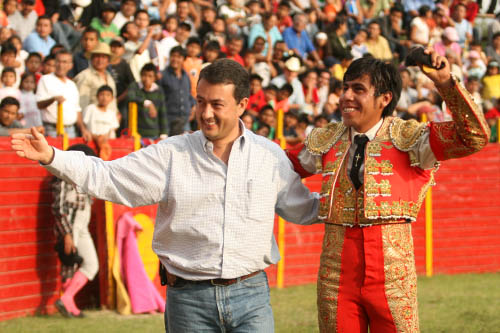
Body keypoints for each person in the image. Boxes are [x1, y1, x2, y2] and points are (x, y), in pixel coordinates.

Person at [11, 58, 319, 332]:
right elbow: (108, 176)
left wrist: (356, 196)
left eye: (216, 104)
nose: (205, 113)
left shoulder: (269, 156)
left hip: (250, 293)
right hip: (189, 301)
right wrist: (52, 156)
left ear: (242, 105)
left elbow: (303, 209)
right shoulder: (172, 154)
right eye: (200, 102)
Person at [287, 52, 490, 332]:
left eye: (358, 89)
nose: (346, 96)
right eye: (345, 87)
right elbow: (282, 165)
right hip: (336, 274)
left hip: (393, 276)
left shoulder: (410, 139)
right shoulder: (326, 138)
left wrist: (446, 83)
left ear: (384, 99)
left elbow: (474, 136)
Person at [52, 143, 99, 318]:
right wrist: (66, 234)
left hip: (82, 225)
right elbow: (58, 208)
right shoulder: (62, 177)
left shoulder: (85, 178)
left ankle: (67, 299)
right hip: (70, 227)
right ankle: (69, 303)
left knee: (91, 264)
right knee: (69, 266)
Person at [37, 50, 86, 139]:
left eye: (64, 62)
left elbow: (77, 110)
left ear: (71, 65)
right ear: (55, 63)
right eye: (58, 61)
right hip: (52, 129)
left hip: (71, 129)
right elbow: (39, 104)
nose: (60, 65)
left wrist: (83, 130)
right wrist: (53, 99)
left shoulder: (72, 84)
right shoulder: (45, 79)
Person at [158, 45, 195, 136]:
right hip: (168, 119)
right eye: (173, 56)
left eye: (179, 57)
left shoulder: (186, 75)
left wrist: (193, 107)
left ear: (183, 59)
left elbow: (188, 95)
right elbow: (158, 97)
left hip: (185, 119)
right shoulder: (162, 75)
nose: (175, 59)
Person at [74, 42, 117, 116]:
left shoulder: (109, 77)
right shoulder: (85, 76)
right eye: (97, 56)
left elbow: (113, 101)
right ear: (92, 58)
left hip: (109, 121)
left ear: (108, 61)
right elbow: (81, 103)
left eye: (104, 57)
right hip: (91, 120)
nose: (100, 60)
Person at [126, 63, 167, 139]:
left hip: (154, 133)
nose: (146, 79)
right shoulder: (135, 86)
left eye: (150, 76)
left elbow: (163, 112)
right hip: (137, 134)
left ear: (154, 78)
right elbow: (130, 96)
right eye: (144, 75)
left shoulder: (159, 90)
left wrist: (164, 133)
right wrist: (147, 103)